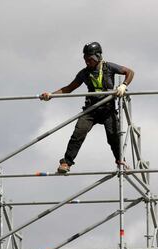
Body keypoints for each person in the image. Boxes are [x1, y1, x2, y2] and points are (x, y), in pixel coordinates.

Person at [40, 41, 135, 173]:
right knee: (78, 133)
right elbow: (68, 88)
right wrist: (51, 95)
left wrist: (124, 85)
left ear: (98, 56)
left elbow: (130, 72)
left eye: (90, 59)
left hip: (108, 109)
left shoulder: (109, 67)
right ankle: (66, 163)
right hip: (91, 110)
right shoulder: (84, 73)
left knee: (113, 136)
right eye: (85, 59)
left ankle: (121, 161)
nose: (87, 62)